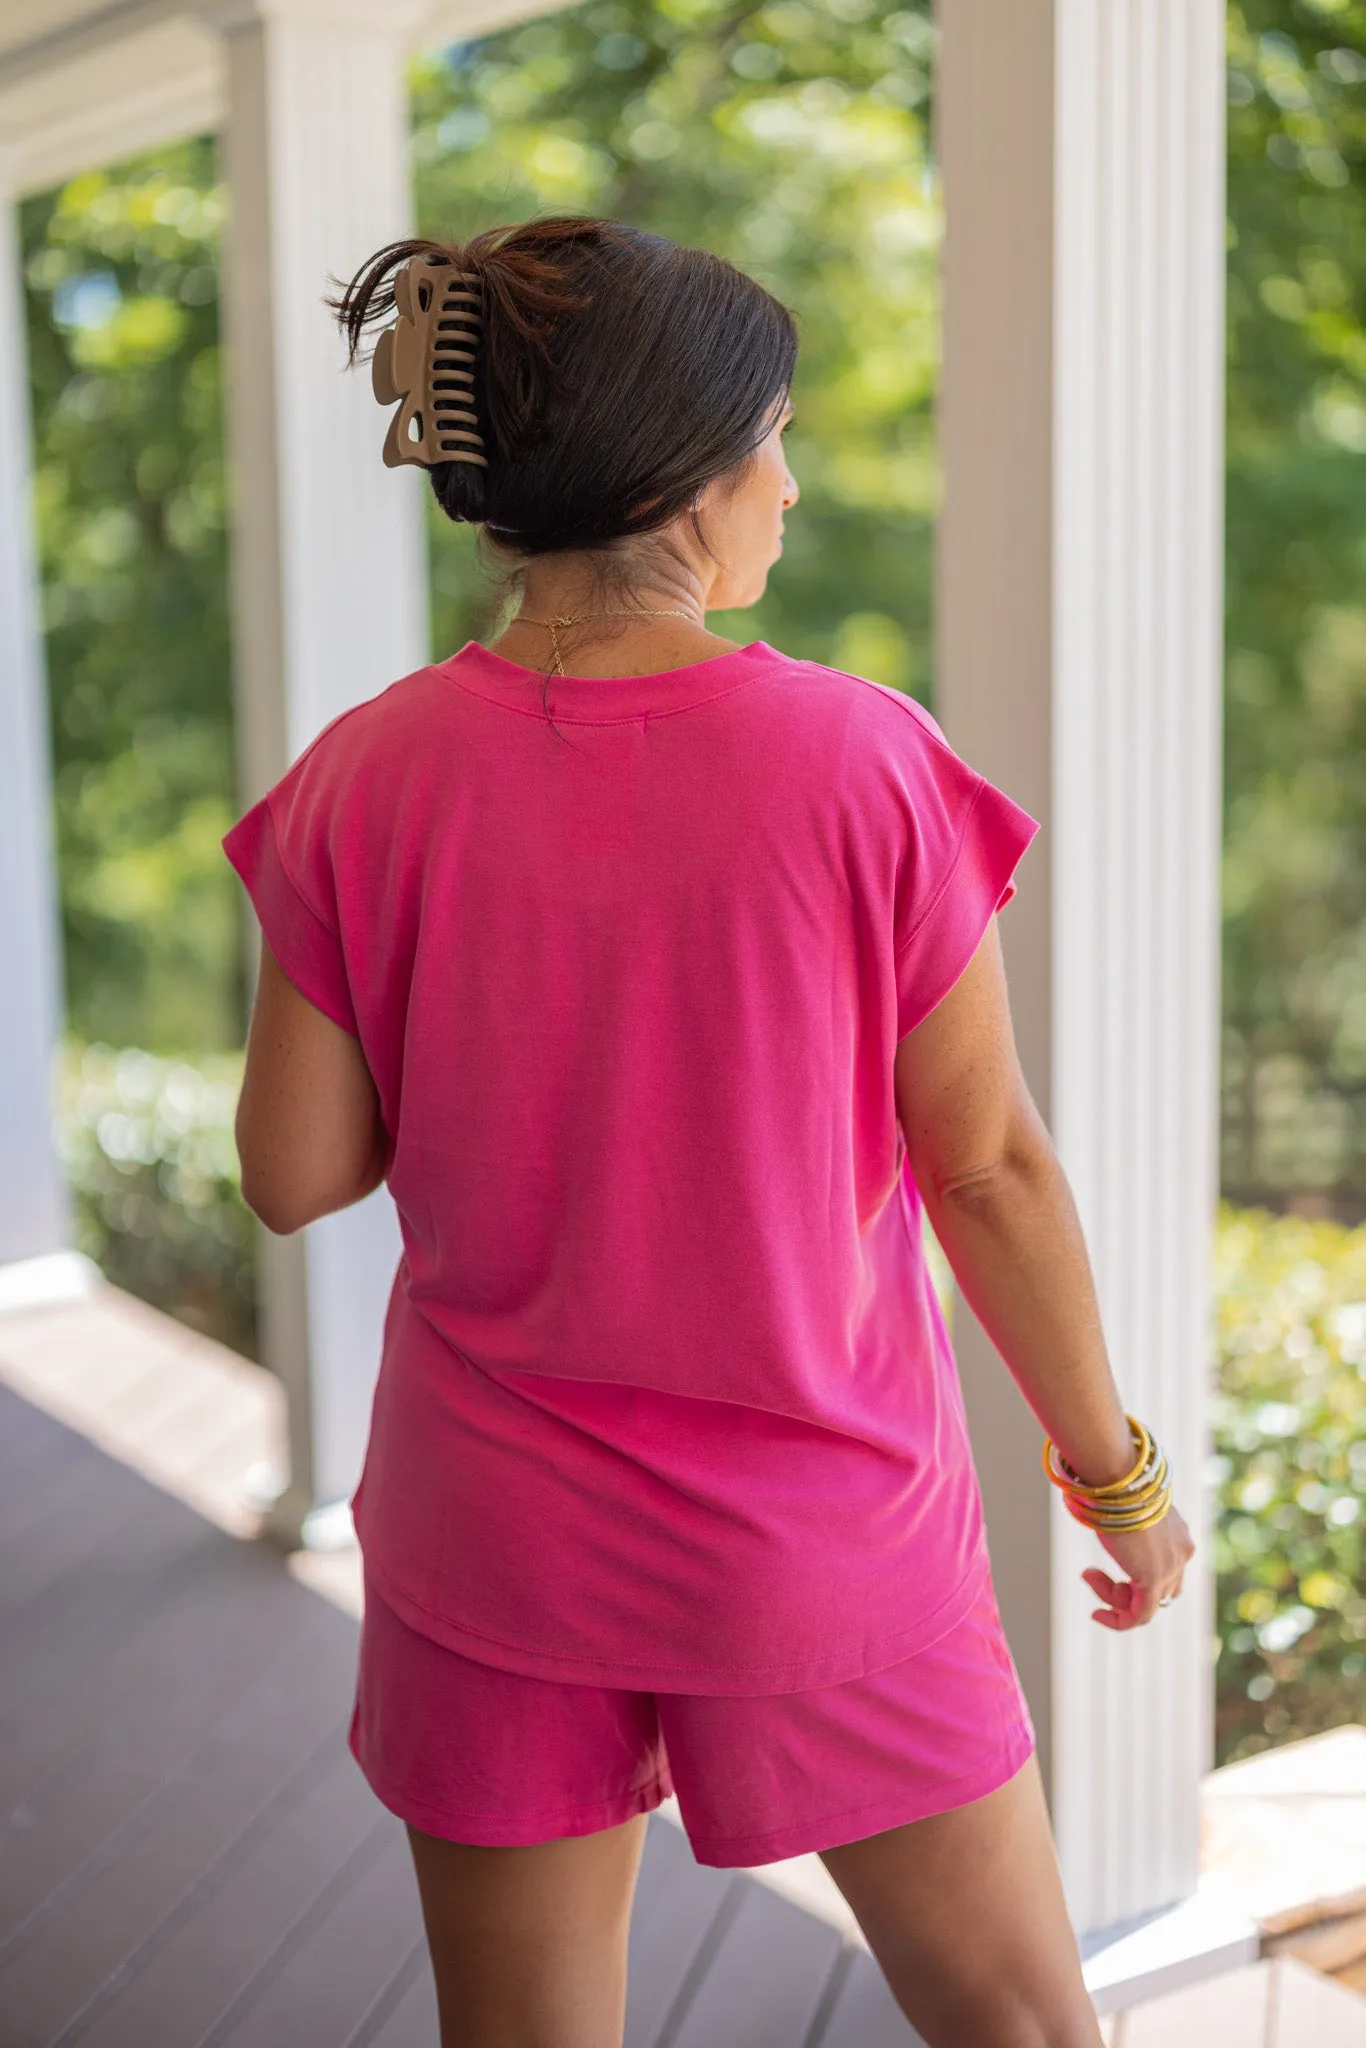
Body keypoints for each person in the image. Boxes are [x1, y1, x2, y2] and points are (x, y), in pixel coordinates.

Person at [225, 215, 1194, 2048]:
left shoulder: (360, 775)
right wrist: (1115, 1480)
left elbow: (292, 1178)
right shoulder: (863, 761)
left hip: (490, 1538)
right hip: (820, 1541)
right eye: (776, 438)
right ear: (687, 476)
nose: (793, 484)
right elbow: (985, 1170)